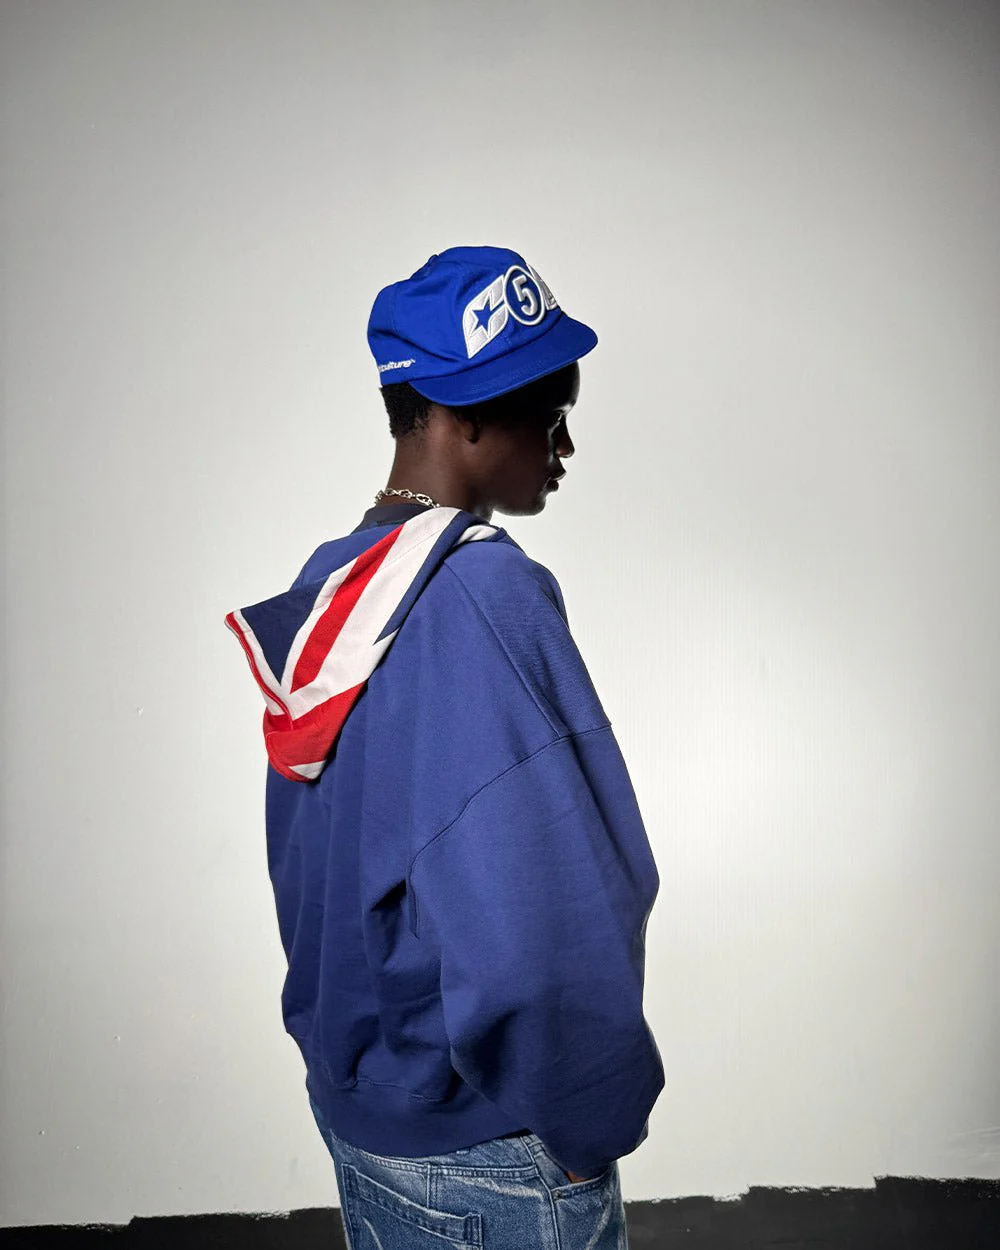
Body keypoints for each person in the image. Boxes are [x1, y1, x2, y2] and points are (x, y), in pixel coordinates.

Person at [225, 246, 664, 1248]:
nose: (564, 444)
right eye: (549, 413)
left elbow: (319, 871)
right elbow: (542, 904)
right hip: (489, 1147)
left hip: (370, 1115)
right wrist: (588, 1124)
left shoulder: (337, 587)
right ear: (463, 415)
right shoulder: (480, 594)